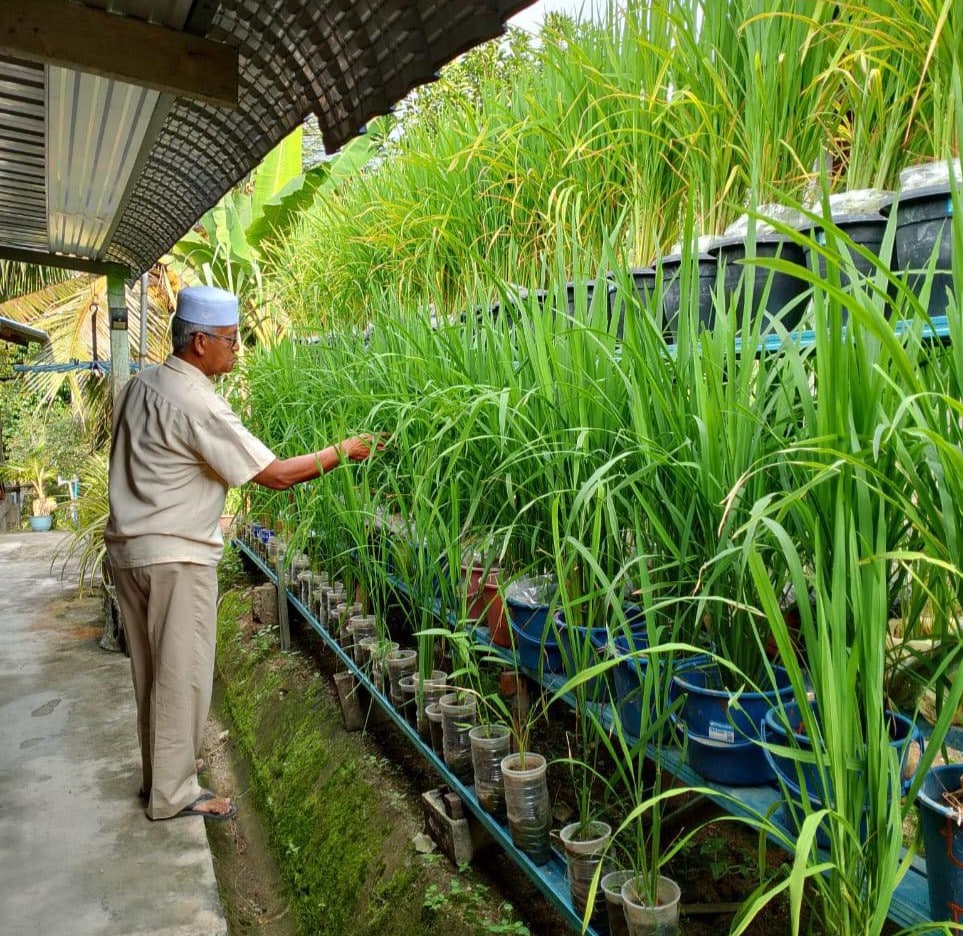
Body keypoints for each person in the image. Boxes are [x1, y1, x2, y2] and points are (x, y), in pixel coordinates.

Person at [105, 285, 380, 820]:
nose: (237, 349)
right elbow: (273, 476)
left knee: (152, 674)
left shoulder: (142, 386)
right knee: (182, 675)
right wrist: (344, 452)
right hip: (175, 559)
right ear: (200, 342)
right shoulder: (197, 401)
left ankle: (158, 782)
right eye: (230, 341)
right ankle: (174, 795)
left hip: (129, 551)